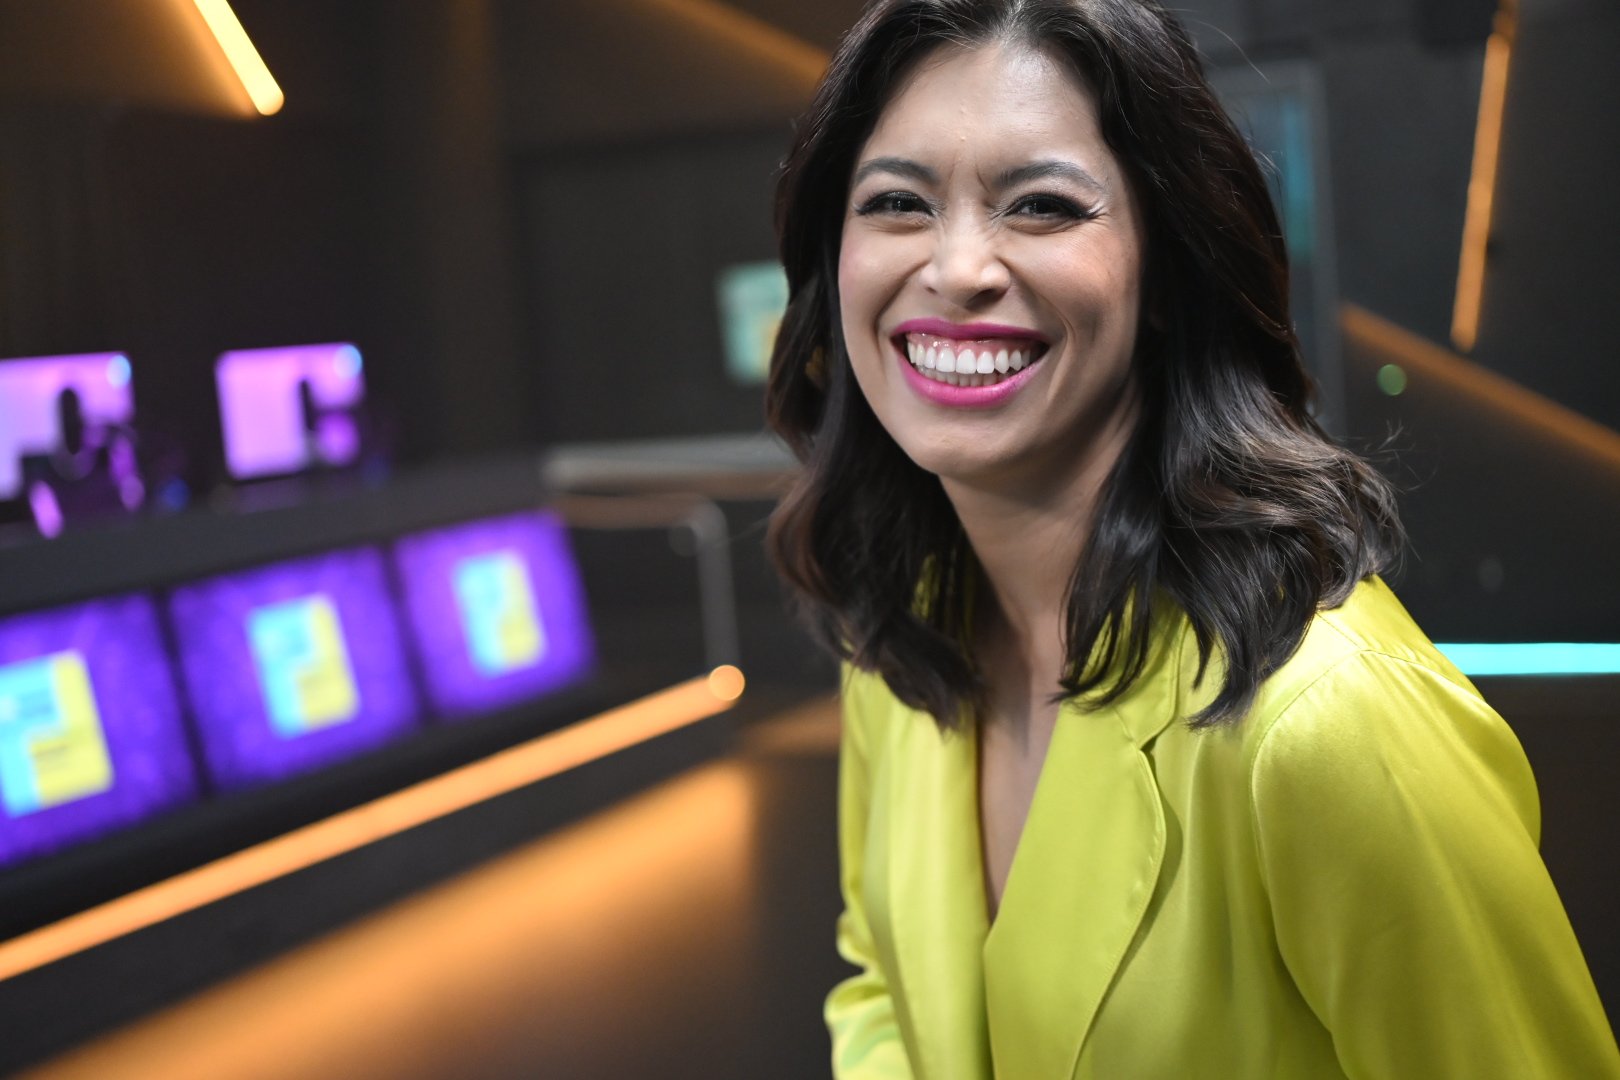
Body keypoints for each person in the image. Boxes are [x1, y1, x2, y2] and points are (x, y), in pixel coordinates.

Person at [762, 1, 1620, 1077]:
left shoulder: (1327, 721)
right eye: (897, 202)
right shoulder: (899, 637)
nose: (960, 268)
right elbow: (880, 985)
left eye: (1039, 205)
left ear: (1165, 274)